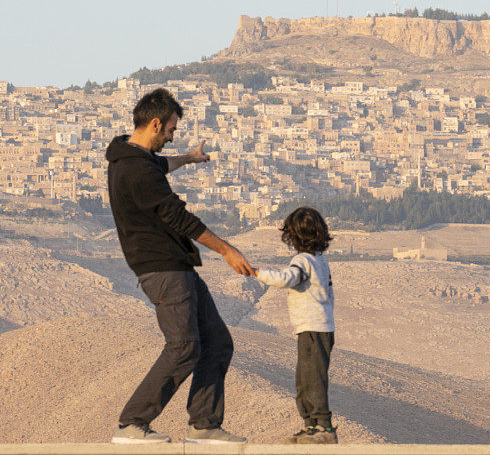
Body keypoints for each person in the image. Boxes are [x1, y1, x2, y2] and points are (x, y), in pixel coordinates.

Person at [106, 87, 254, 444]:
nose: (172, 135)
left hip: (177, 266)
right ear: (156, 123)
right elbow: (179, 219)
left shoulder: (136, 158)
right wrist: (227, 250)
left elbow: (163, 163)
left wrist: (187, 158)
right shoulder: (134, 170)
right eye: (171, 130)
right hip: (163, 270)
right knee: (184, 346)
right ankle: (132, 424)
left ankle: (204, 425)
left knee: (217, 341)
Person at [255, 207, 337, 444]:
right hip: (320, 327)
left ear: (293, 236)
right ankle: (311, 427)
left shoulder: (302, 261)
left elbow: (286, 279)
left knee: (311, 379)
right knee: (305, 379)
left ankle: (323, 428)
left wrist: (257, 272)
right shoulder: (321, 261)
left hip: (313, 328)